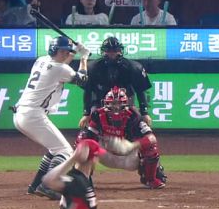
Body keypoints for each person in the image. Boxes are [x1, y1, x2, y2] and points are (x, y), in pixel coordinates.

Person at [81, 37, 168, 185]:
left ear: (120, 51)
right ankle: (84, 174)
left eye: (115, 51)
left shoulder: (132, 67)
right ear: (104, 52)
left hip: (126, 106)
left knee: (143, 138)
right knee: (84, 139)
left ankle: (152, 172)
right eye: (109, 51)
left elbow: (140, 91)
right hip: (100, 106)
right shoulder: (94, 67)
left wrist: (144, 112)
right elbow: (88, 92)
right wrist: (86, 113)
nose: (112, 54)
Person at [13, 36, 90, 200]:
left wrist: (74, 52)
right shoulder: (60, 69)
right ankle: (48, 186)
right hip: (33, 115)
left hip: (22, 113)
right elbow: (82, 80)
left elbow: (61, 67)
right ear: (55, 50)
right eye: (63, 51)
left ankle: (35, 186)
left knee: (54, 150)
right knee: (66, 151)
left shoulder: (41, 60)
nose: (66, 54)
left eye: (67, 52)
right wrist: (84, 57)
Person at [78, 87, 165, 189]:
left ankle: (150, 179)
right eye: (113, 104)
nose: (116, 107)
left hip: (128, 157)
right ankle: (83, 179)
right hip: (105, 154)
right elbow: (86, 137)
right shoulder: (98, 115)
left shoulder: (133, 116)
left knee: (151, 148)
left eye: (119, 103)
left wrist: (132, 145)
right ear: (106, 104)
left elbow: (151, 138)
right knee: (82, 144)